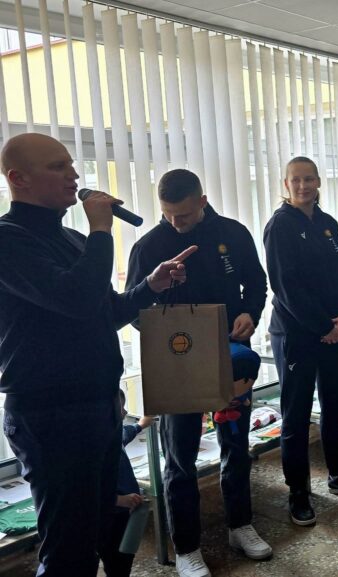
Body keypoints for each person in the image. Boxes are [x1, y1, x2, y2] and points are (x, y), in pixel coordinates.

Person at [0, 133, 193, 575]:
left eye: (71, 165)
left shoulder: (70, 238)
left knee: (107, 528)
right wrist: (102, 230)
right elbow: (76, 299)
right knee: (69, 548)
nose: (74, 175)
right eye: (58, 167)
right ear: (18, 179)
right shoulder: (8, 239)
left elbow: (104, 313)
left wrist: (151, 286)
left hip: (97, 405)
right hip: (52, 414)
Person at [126, 168, 272, 575]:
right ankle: (186, 547)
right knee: (180, 457)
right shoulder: (149, 246)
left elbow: (256, 283)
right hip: (178, 363)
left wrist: (250, 313)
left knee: (235, 445)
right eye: (168, 214)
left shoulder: (232, 233)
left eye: (185, 215)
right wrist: (166, 327)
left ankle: (240, 525)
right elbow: (134, 309)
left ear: (203, 201)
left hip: (231, 355)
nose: (176, 222)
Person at [263, 157, 338, 526]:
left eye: (309, 179)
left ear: (318, 182)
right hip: (297, 333)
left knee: (336, 405)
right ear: (286, 184)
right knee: (295, 416)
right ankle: (298, 492)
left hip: (335, 330)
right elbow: (285, 285)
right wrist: (322, 326)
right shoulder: (280, 225)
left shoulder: (327, 224)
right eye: (296, 180)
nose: (303, 186)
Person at [98, 390, 153, 577]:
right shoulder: (94, 449)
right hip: (109, 515)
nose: (125, 412)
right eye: (120, 408)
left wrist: (141, 424)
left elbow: (127, 433)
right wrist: (118, 500)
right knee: (115, 559)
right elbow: (87, 490)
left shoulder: (114, 435)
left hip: (126, 512)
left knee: (127, 554)